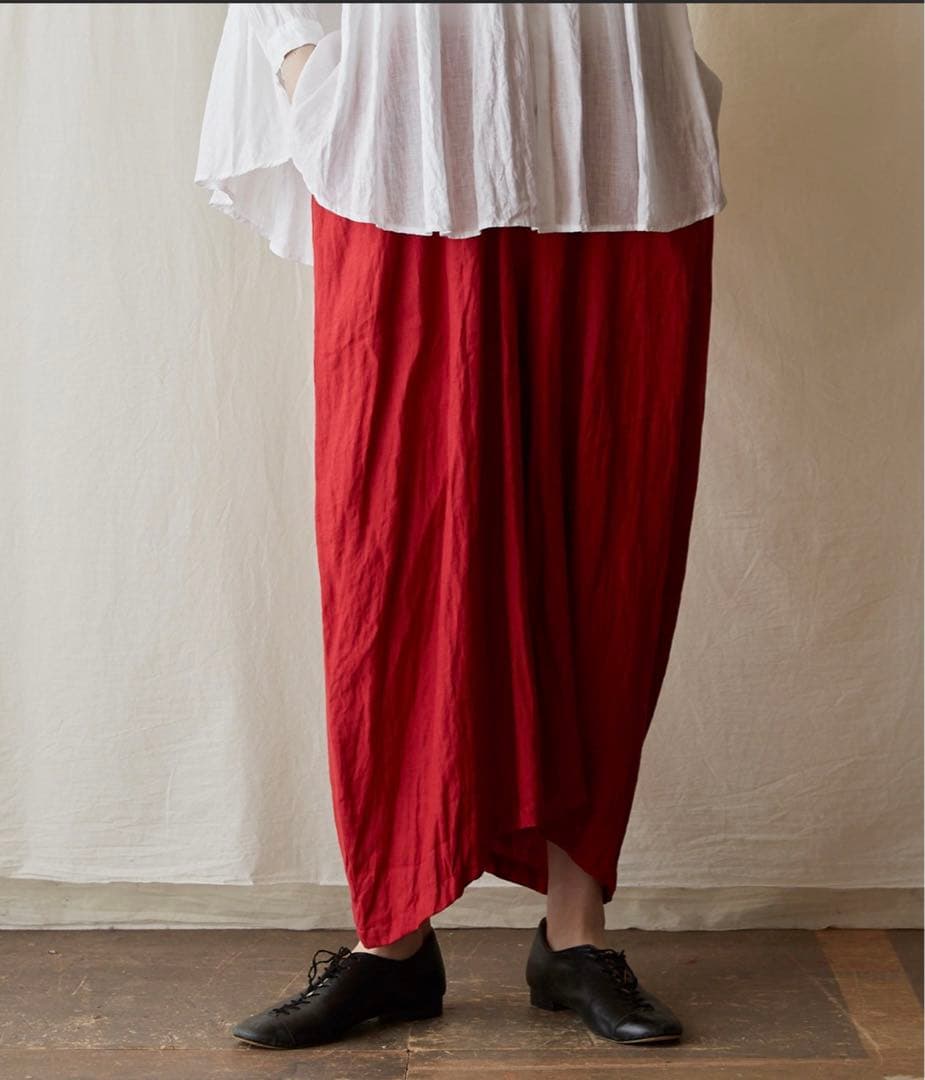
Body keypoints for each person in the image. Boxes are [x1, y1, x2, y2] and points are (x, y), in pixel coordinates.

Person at [195, 1, 726, 1051]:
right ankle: (391, 939)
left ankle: (574, 935)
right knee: (394, 543)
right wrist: (302, 61)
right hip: (404, 135)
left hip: (607, 124)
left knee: (608, 524)